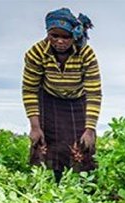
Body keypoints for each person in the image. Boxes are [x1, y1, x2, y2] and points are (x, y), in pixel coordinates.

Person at [22, 8, 102, 182]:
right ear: (47, 34)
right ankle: (48, 183)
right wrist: (35, 126)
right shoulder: (36, 53)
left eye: (65, 37)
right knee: (45, 144)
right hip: (49, 99)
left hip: (78, 100)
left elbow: (94, 92)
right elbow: (29, 89)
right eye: (54, 36)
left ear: (74, 35)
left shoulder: (86, 54)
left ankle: (83, 185)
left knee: (82, 147)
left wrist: (90, 129)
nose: (59, 41)